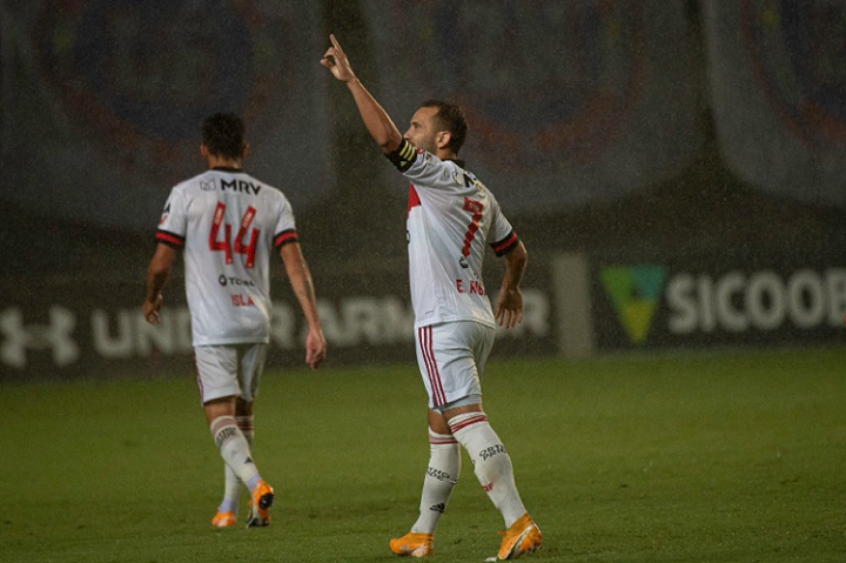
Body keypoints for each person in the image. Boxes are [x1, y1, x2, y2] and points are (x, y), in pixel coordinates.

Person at [321, 35, 541, 560]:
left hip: (441, 321)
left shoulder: (437, 174)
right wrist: (508, 290)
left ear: (442, 139)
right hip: (476, 319)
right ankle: (422, 531)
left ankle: (518, 522)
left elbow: (386, 143)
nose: (409, 132)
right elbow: (518, 252)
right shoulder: (480, 190)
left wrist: (351, 81)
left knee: (465, 420)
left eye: (418, 126)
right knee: (441, 428)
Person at [142, 112, 326, 528]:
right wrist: (313, 324)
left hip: (213, 324)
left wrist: (152, 296)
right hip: (256, 321)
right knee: (243, 412)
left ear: (203, 149)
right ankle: (229, 507)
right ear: (245, 150)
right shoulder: (272, 197)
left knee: (219, 416)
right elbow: (296, 265)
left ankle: (256, 484)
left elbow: (160, 262)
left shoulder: (187, 193)